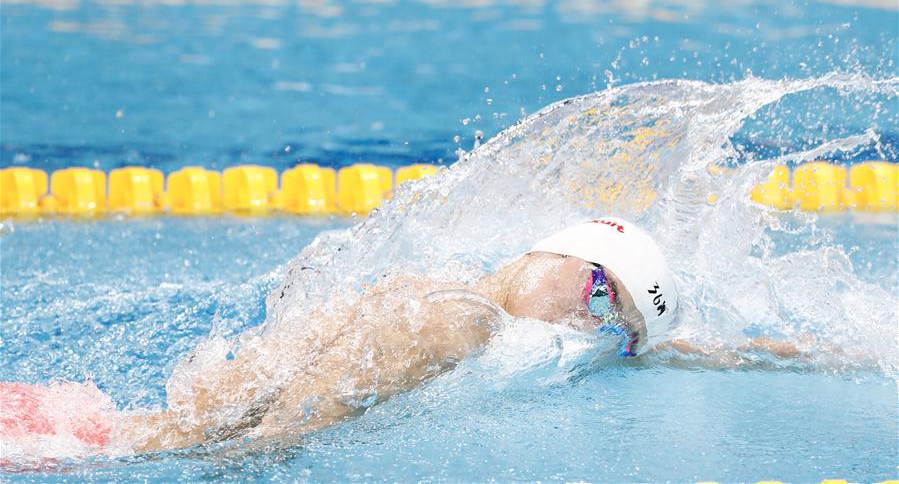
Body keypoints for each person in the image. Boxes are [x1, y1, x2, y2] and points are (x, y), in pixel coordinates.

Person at [0, 216, 801, 457]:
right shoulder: (459, 320)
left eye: (606, 328)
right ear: (552, 255)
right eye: (596, 299)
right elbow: (308, 404)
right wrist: (250, 464)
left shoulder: (459, 287)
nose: (579, 326)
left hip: (109, 420)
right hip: (111, 448)